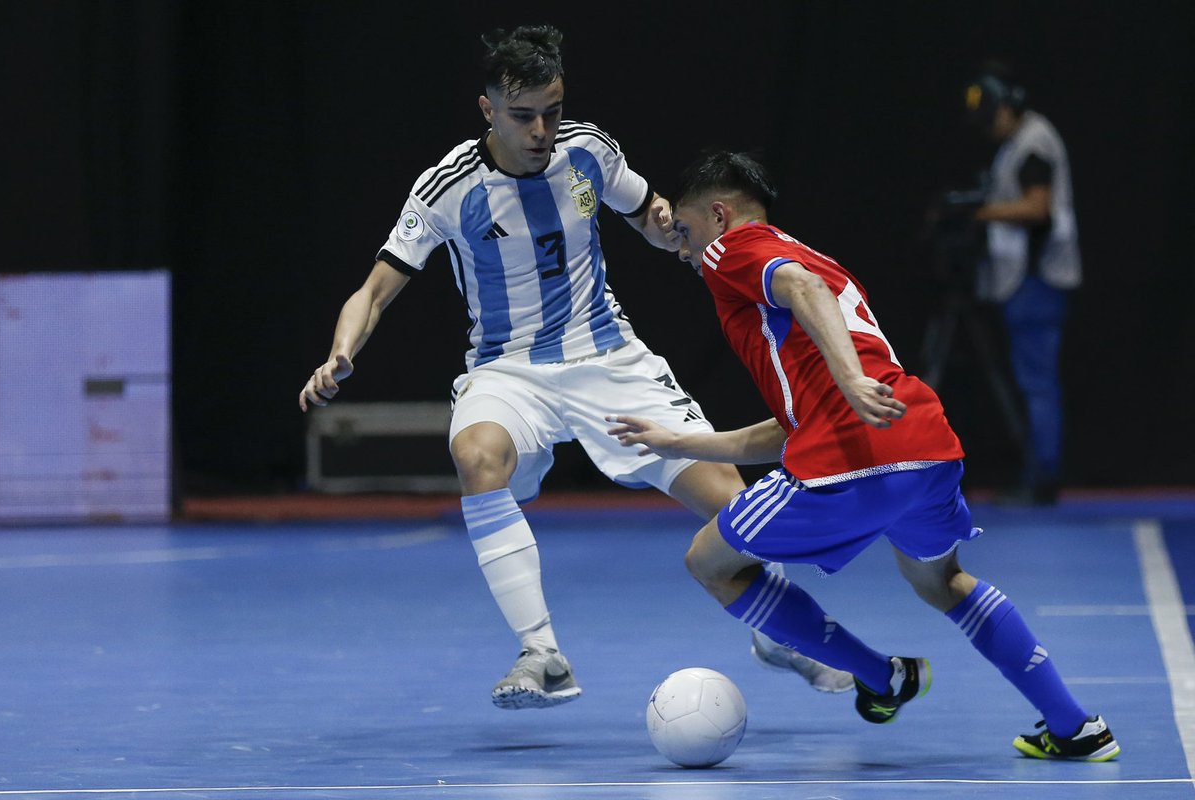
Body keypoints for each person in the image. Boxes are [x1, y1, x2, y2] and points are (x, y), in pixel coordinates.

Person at [298, 26, 851, 710]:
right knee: (477, 455)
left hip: (608, 357)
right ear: (488, 110)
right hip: (508, 371)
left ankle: (777, 633)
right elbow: (375, 288)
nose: (540, 130)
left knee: (731, 502)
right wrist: (340, 352)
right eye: (523, 115)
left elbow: (643, 214)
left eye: (551, 112)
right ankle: (542, 653)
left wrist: (670, 229)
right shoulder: (448, 187)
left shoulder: (588, 150)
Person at [608, 151, 1119, 760]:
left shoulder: (734, 250)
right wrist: (677, 441)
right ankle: (1075, 727)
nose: (685, 252)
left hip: (849, 456)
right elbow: (788, 426)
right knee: (943, 582)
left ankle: (881, 676)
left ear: (719, 214)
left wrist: (848, 380)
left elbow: (803, 292)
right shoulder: (818, 261)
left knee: (710, 563)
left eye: (686, 232)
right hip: (923, 442)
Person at [966, 62, 1080, 505]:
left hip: (1038, 279)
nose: (989, 129)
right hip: (1024, 279)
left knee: (1037, 382)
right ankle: (1039, 472)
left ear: (1008, 107)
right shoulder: (1018, 143)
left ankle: (1043, 477)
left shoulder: (1033, 142)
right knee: (1033, 381)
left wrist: (980, 212)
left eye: (992, 117)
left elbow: (1037, 208)